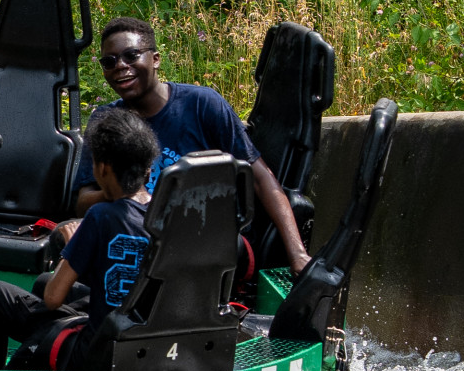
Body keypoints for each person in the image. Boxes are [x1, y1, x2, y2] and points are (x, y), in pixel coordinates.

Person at [72, 16, 312, 277]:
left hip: (207, 237)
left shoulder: (202, 104)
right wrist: (124, 191)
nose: (120, 66)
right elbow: (84, 202)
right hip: (135, 235)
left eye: (131, 55)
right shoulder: (105, 120)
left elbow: (261, 179)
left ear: (155, 59)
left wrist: (297, 254)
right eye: (110, 61)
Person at [0, 107, 159, 371]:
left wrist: (71, 248)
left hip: (95, 353)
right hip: (138, 341)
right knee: (43, 280)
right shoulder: (165, 216)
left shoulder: (101, 216)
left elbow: (53, 298)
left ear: (102, 168)